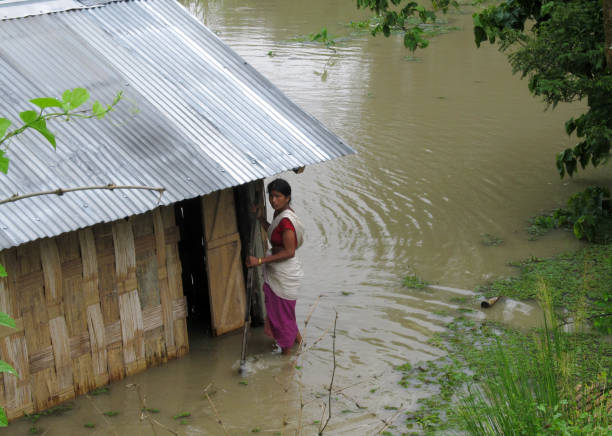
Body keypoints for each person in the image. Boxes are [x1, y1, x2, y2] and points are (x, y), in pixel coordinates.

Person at [246, 178, 304, 355]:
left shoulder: (286, 221)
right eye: (271, 196)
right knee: (286, 314)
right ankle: (300, 345)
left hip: (284, 273)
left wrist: (260, 261)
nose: (273, 200)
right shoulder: (279, 214)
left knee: (283, 317)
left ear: (287, 198)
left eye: (278, 196)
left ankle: (287, 361)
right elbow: (274, 232)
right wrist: (261, 218)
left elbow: (289, 251)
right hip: (280, 271)